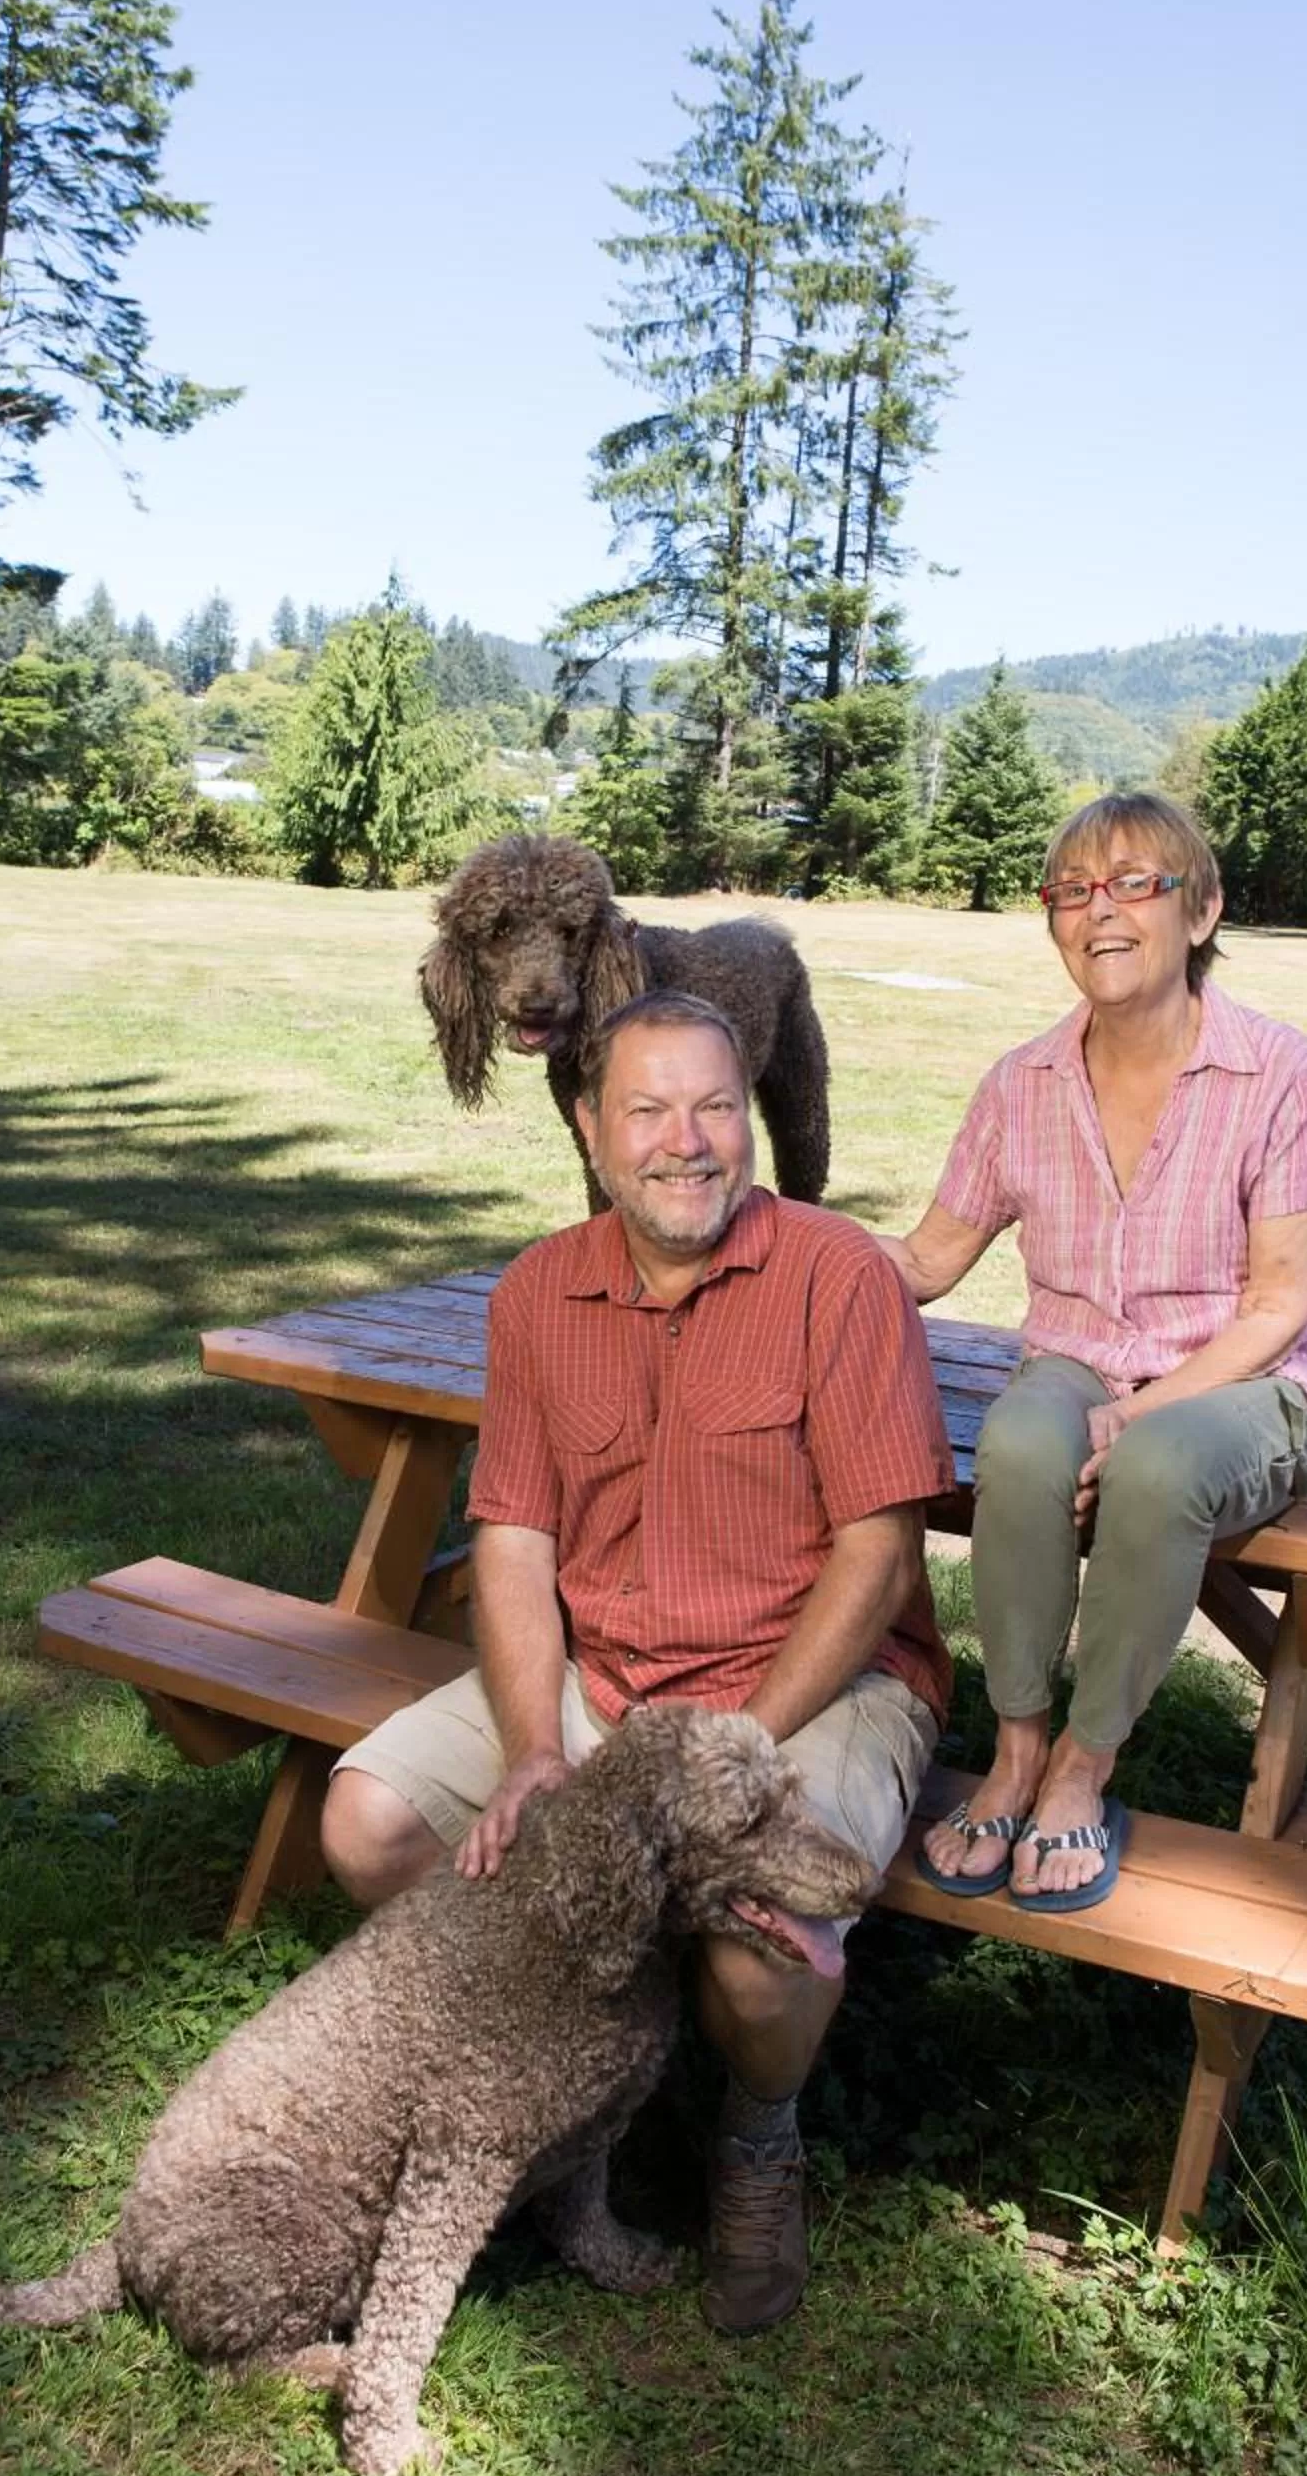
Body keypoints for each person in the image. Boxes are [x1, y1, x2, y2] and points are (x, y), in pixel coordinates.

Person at [321, 988, 957, 2335]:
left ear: (751, 1119)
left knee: (768, 1959)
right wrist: (538, 1748)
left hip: (814, 1679)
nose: (691, 1142)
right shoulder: (541, 1292)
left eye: (718, 1107)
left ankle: (755, 2138)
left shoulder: (839, 1278)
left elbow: (879, 1556)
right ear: (590, 1130)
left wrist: (728, 1755)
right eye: (651, 1110)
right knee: (369, 1822)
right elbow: (511, 1541)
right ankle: (570, 2081)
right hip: (607, 1670)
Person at [879, 792, 1307, 1909]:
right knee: (1021, 1442)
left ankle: (1084, 1772)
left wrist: (1142, 1412)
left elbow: (1278, 1304)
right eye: (1072, 891)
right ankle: (1016, 1749)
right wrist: (760, 1238)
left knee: (1155, 1464)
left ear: (1202, 909)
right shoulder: (1020, 1081)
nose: (1100, 911)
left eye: (1135, 882)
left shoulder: (1282, 1072)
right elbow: (928, 1259)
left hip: (1247, 1380)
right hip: (1078, 1359)